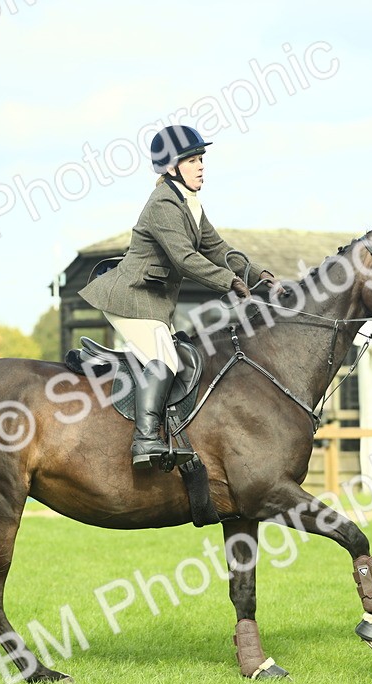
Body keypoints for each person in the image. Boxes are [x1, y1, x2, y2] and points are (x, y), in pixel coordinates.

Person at [78, 124, 282, 468]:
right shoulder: (163, 204)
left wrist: (256, 273)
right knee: (166, 360)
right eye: (192, 160)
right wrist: (229, 282)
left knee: (183, 357)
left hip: (153, 303)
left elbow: (217, 247)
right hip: (130, 299)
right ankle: (144, 442)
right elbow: (185, 258)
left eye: (201, 158)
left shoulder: (190, 203)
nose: (201, 165)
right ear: (171, 167)